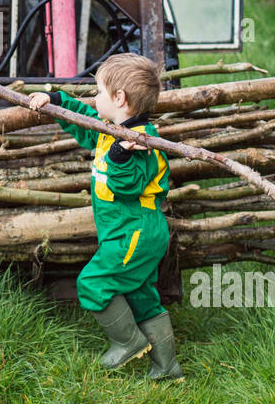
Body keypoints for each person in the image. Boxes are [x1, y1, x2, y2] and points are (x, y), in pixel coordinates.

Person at [27, 53, 184, 380]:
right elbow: (83, 118)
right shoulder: (112, 130)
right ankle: (167, 368)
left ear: (119, 99)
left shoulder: (142, 143)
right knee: (140, 294)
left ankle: (127, 343)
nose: (95, 98)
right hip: (125, 232)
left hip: (135, 231)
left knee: (94, 282)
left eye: (99, 92)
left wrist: (119, 156)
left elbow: (128, 187)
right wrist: (56, 100)